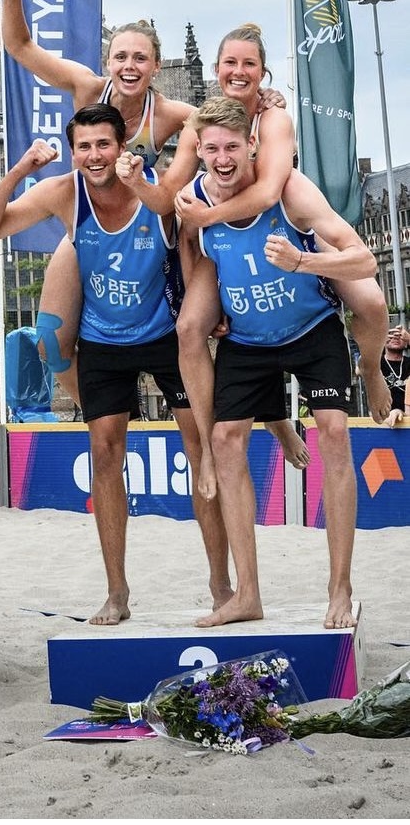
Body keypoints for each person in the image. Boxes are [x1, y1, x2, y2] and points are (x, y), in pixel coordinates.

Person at [0, 103, 228, 625]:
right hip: (103, 341)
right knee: (105, 456)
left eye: (103, 144)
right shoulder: (66, 192)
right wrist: (19, 171)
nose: (93, 155)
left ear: (122, 146)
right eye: (83, 146)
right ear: (72, 151)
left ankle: (221, 585)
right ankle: (117, 593)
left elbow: (198, 244)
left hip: (164, 334)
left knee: (203, 453)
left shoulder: (155, 190)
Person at [177, 96, 384, 630]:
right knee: (223, 442)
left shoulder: (288, 193)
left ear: (252, 146)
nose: (222, 159)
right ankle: (247, 594)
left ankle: (339, 588)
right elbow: (191, 252)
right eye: (211, 149)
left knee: (334, 432)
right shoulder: (193, 200)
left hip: (311, 328)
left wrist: (302, 259)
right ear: (199, 152)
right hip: (248, 339)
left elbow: (364, 259)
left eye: (232, 147)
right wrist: (210, 308)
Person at [166, 25, 391, 434]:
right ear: (216, 69)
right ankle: (247, 433)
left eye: (248, 64)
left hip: (289, 220)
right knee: (200, 328)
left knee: (373, 304)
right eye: (230, 63)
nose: (238, 71)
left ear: (263, 73)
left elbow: (270, 191)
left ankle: (371, 368)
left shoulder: (272, 117)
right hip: (231, 237)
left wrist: (207, 216)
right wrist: (143, 186)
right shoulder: (202, 123)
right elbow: (173, 198)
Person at [0, 0, 204, 397]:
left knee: (190, 333)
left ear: (156, 66)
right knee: (50, 345)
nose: (130, 67)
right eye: (121, 57)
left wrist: (264, 99)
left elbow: (231, 128)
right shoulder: (88, 89)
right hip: (89, 229)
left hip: (146, 232)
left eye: (140, 58)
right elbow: (19, 46)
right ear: (108, 62)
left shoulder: (170, 115)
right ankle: (104, 414)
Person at [378, 326, 408, 423]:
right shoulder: (375, 363)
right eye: (391, 334)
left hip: (407, 419)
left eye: (400, 335)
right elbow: (360, 368)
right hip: (381, 420)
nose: (395, 337)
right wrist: (378, 341)